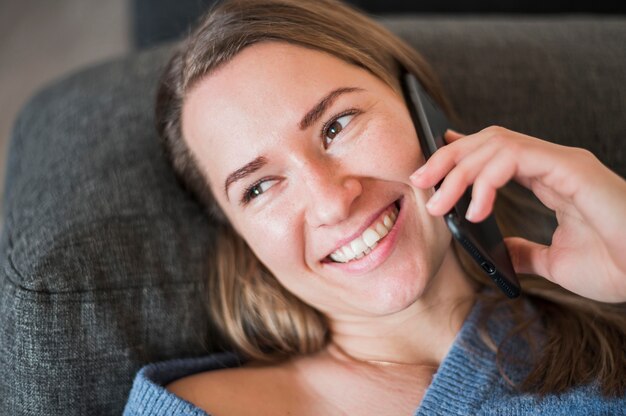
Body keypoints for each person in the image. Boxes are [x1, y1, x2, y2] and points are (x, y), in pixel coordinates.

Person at [124, 0, 626, 414]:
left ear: (419, 110)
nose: (331, 202)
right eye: (258, 188)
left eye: (337, 126)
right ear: (240, 234)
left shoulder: (605, 333)